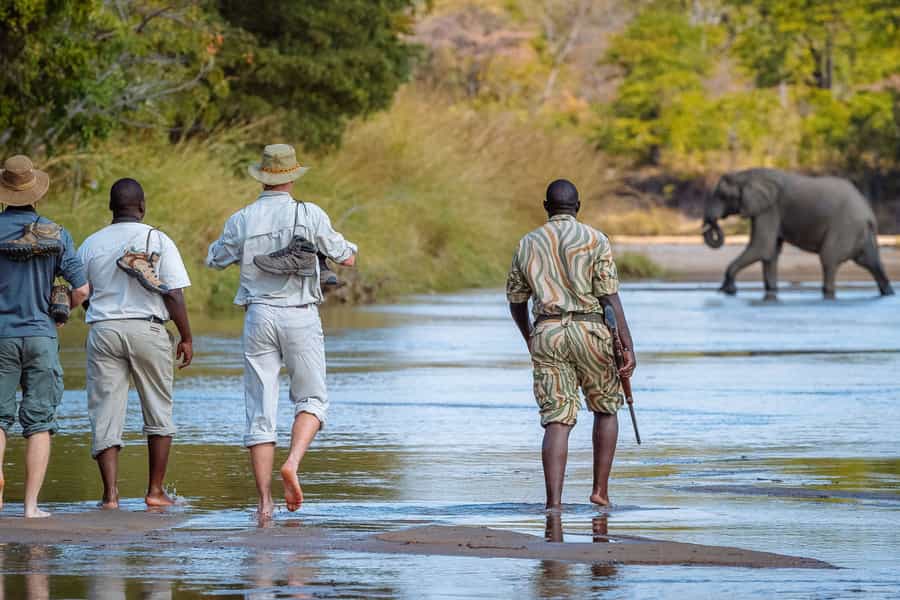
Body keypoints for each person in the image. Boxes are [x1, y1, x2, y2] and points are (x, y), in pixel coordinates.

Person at [206, 144, 357, 521]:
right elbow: (348, 256)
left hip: (258, 315)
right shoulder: (310, 213)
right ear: (291, 176)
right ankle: (291, 463)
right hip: (301, 314)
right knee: (313, 399)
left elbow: (215, 259)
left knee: (260, 411)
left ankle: (263, 503)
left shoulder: (241, 218)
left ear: (263, 176)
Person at [506, 179, 635, 510]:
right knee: (606, 408)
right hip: (592, 331)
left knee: (556, 418)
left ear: (546, 207)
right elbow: (608, 295)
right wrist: (627, 343)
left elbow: (516, 300)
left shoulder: (527, 243)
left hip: (548, 333)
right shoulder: (595, 239)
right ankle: (600, 491)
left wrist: (530, 334)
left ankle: (554, 502)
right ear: (577, 207)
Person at [77, 178, 193, 509]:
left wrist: (99, 314)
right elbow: (173, 293)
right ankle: (155, 492)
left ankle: (110, 496)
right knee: (158, 408)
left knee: (105, 412)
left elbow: (83, 293)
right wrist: (185, 336)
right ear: (142, 208)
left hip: (103, 330)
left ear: (111, 208)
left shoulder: (91, 244)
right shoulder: (157, 239)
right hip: (148, 329)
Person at [0, 154, 89, 518]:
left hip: (1, 336)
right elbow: (82, 289)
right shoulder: (56, 233)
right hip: (40, 334)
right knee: (39, 423)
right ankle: (31, 506)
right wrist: (61, 306)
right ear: (35, 191)